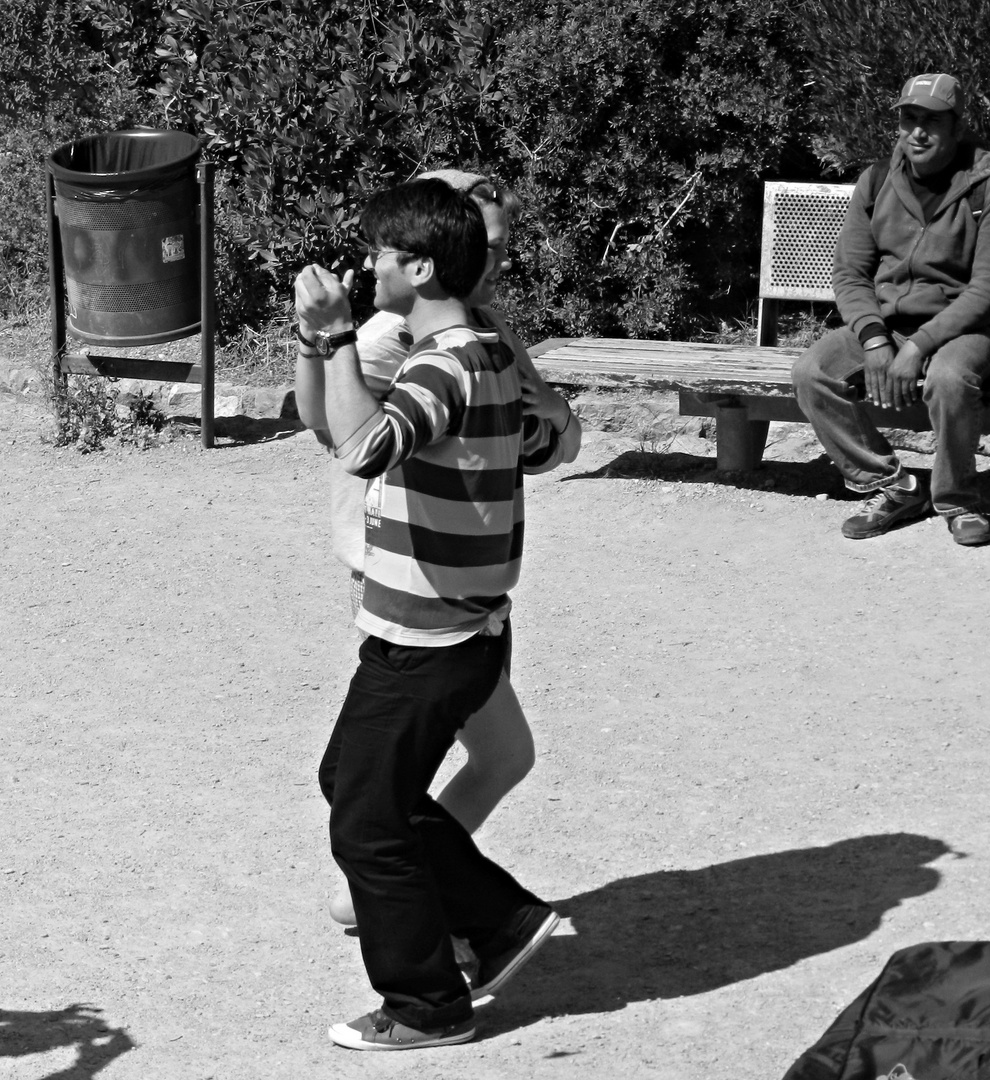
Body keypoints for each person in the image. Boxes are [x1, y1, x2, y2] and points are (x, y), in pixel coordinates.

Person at [295, 178, 562, 1051]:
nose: (366, 266)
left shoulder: (444, 361)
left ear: (419, 265)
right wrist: (325, 345)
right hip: (454, 628)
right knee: (358, 784)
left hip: (428, 635)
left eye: (378, 253)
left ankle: (425, 1004)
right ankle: (500, 922)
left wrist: (333, 337)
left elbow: (362, 448)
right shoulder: (482, 347)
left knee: (366, 819)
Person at [792, 72, 990, 545]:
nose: (917, 132)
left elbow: (988, 290)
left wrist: (919, 346)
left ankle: (959, 500)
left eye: (932, 121)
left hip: (965, 328)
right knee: (812, 372)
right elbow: (851, 274)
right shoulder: (877, 181)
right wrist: (876, 339)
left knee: (949, 379)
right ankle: (895, 485)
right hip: (889, 324)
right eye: (908, 119)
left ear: (957, 126)